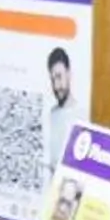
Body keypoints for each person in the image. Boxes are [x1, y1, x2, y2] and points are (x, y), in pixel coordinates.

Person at [40, 45, 79, 181]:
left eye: (59, 77)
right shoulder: (51, 115)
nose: (56, 86)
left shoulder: (82, 116)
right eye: (52, 80)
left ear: (69, 73)